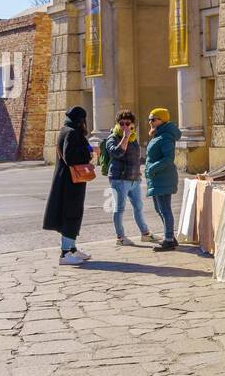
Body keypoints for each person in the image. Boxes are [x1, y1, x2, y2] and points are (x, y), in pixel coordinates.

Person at [43, 105, 94, 266]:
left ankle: (72, 249)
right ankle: (65, 254)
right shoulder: (72, 133)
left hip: (68, 180)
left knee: (72, 212)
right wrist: (89, 154)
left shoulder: (67, 130)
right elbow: (70, 157)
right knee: (71, 213)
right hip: (70, 182)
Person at [106, 111, 156, 247]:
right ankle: (120, 237)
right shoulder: (113, 137)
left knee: (138, 207)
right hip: (119, 179)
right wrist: (125, 137)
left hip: (134, 179)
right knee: (119, 208)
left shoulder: (133, 138)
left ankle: (145, 234)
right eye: (121, 124)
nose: (124, 126)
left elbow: (135, 159)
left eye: (127, 123)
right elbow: (116, 152)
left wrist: (138, 175)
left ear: (133, 124)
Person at [144, 108, 181, 251]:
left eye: (153, 119)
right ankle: (169, 234)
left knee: (165, 209)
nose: (150, 122)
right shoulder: (158, 134)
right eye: (149, 119)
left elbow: (168, 159)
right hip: (157, 177)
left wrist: (152, 168)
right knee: (159, 208)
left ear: (162, 120)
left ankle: (169, 240)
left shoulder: (165, 136)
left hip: (163, 177)